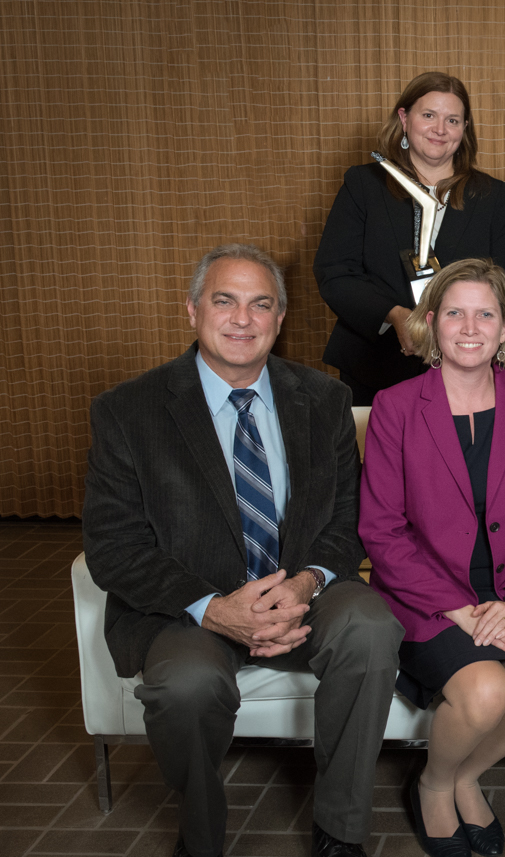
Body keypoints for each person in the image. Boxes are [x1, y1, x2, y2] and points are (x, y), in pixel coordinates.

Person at [82, 243, 404, 857]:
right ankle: (201, 837)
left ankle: (340, 831)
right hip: (187, 608)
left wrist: (307, 582)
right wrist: (214, 608)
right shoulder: (128, 411)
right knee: (186, 686)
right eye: (223, 301)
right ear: (192, 310)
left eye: (261, 305)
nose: (242, 319)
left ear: (279, 321)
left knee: (370, 625)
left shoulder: (325, 399)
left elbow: (346, 517)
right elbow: (114, 548)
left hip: (300, 591)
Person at [358, 258, 505, 857]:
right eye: (454, 312)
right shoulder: (396, 406)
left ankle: (465, 775)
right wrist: (459, 609)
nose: (469, 326)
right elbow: (381, 531)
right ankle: (431, 785)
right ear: (432, 323)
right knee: (483, 693)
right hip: (427, 595)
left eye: (485, 313)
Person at [315, 72, 505, 406]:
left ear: (465, 128)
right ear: (404, 118)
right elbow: (335, 272)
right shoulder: (363, 185)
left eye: (452, 120)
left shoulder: (492, 196)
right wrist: (394, 315)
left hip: (466, 372)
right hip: (374, 367)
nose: (440, 129)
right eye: (428, 115)